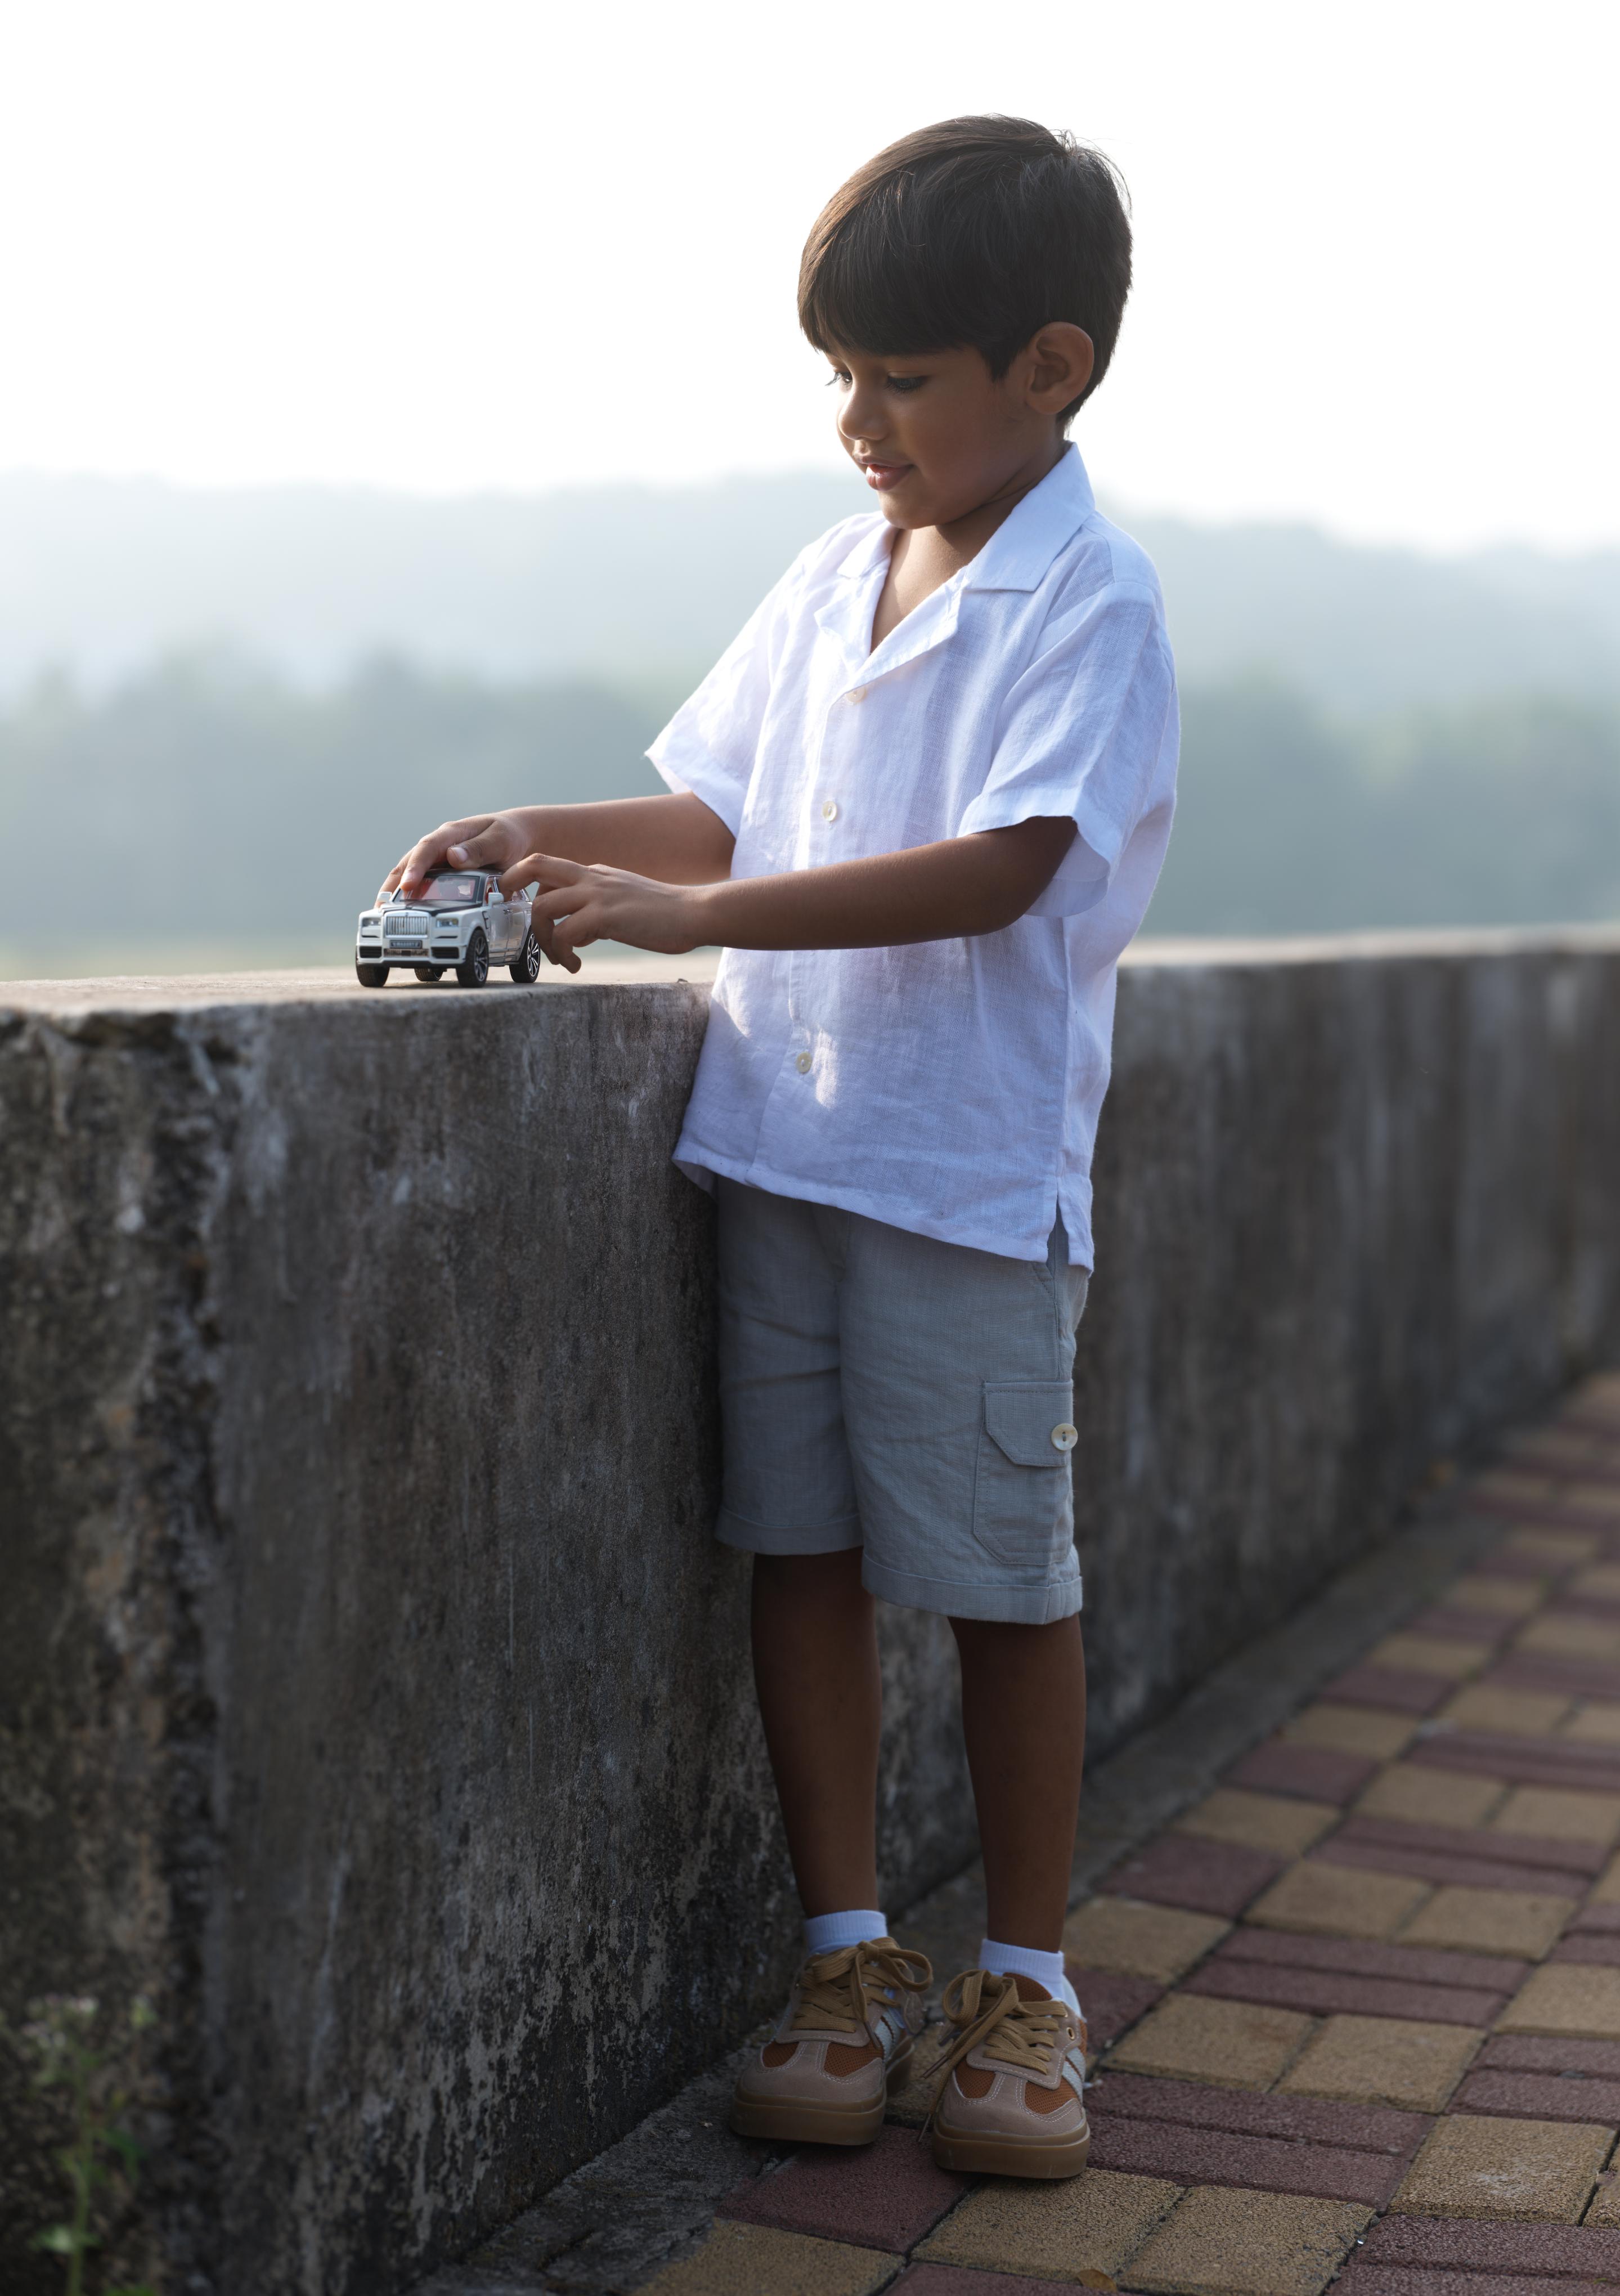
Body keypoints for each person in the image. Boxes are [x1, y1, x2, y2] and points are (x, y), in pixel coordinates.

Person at [383, 114, 1178, 2180]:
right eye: (840, 376)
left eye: (900, 379)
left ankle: (1027, 1980)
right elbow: (723, 807)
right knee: (800, 1558)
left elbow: (1007, 865)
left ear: (1051, 369)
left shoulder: (1085, 601)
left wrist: (694, 924)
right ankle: (848, 1954)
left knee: (1002, 1583)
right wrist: (532, 839)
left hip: (966, 1177)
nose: (857, 424)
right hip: (786, 1151)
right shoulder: (836, 576)